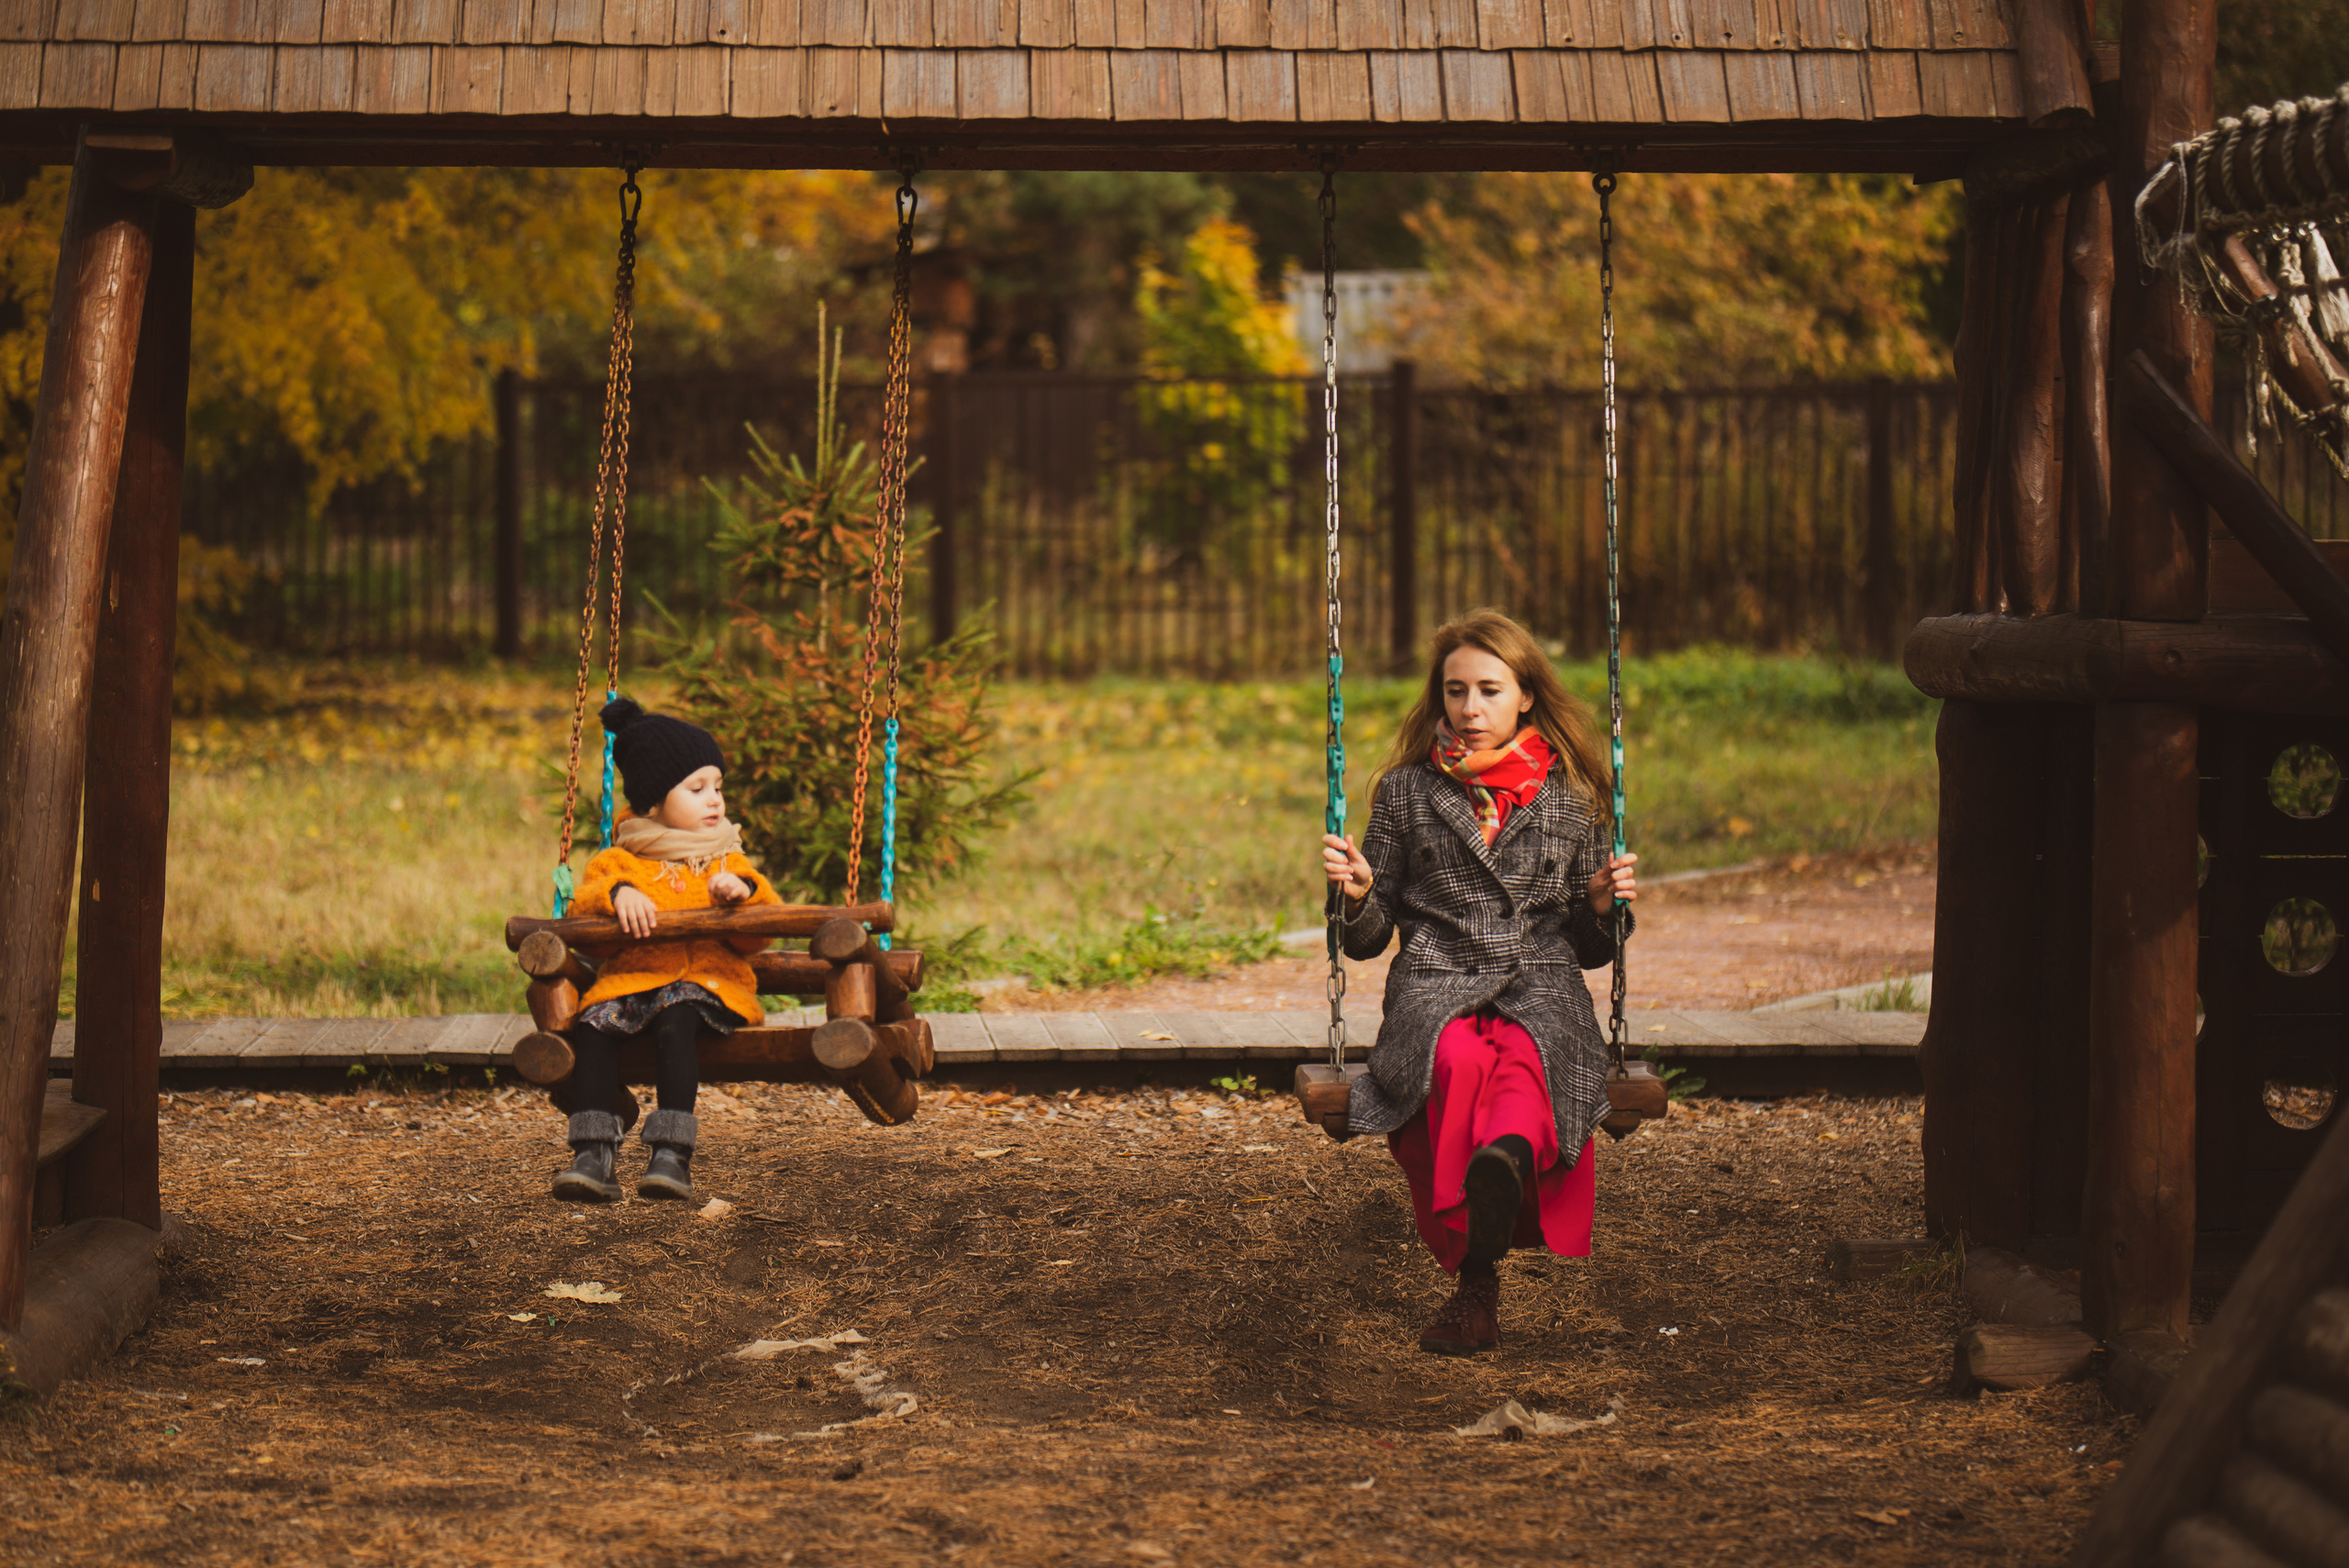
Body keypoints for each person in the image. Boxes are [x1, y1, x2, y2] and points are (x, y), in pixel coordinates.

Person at [1320, 608, 1638, 1356]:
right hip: (1436, 981)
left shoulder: (1576, 796)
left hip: (1542, 981)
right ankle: (1493, 1195)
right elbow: (1366, 942)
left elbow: (1593, 950)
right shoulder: (1405, 793)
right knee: (1454, 1061)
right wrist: (1360, 894)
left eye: (1489, 689)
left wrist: (1602, 910)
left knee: (1532, 1058)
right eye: (1455, 690)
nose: (1470, 708)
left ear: (1525, 695)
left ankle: (1491, 1208)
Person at [553, 696, 782, 1205]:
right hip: (633, 985)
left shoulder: (727, 858)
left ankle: (671, 1154)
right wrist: (618, 896)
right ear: (654, 801)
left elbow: (761, 929)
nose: (714, 801)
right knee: (594, 1025)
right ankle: (592, 1154)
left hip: (707, 987)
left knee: (677, 1019)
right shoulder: (622, 861)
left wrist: (740, 898)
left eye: (717, 787)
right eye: (697, 788)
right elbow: (584, 906)